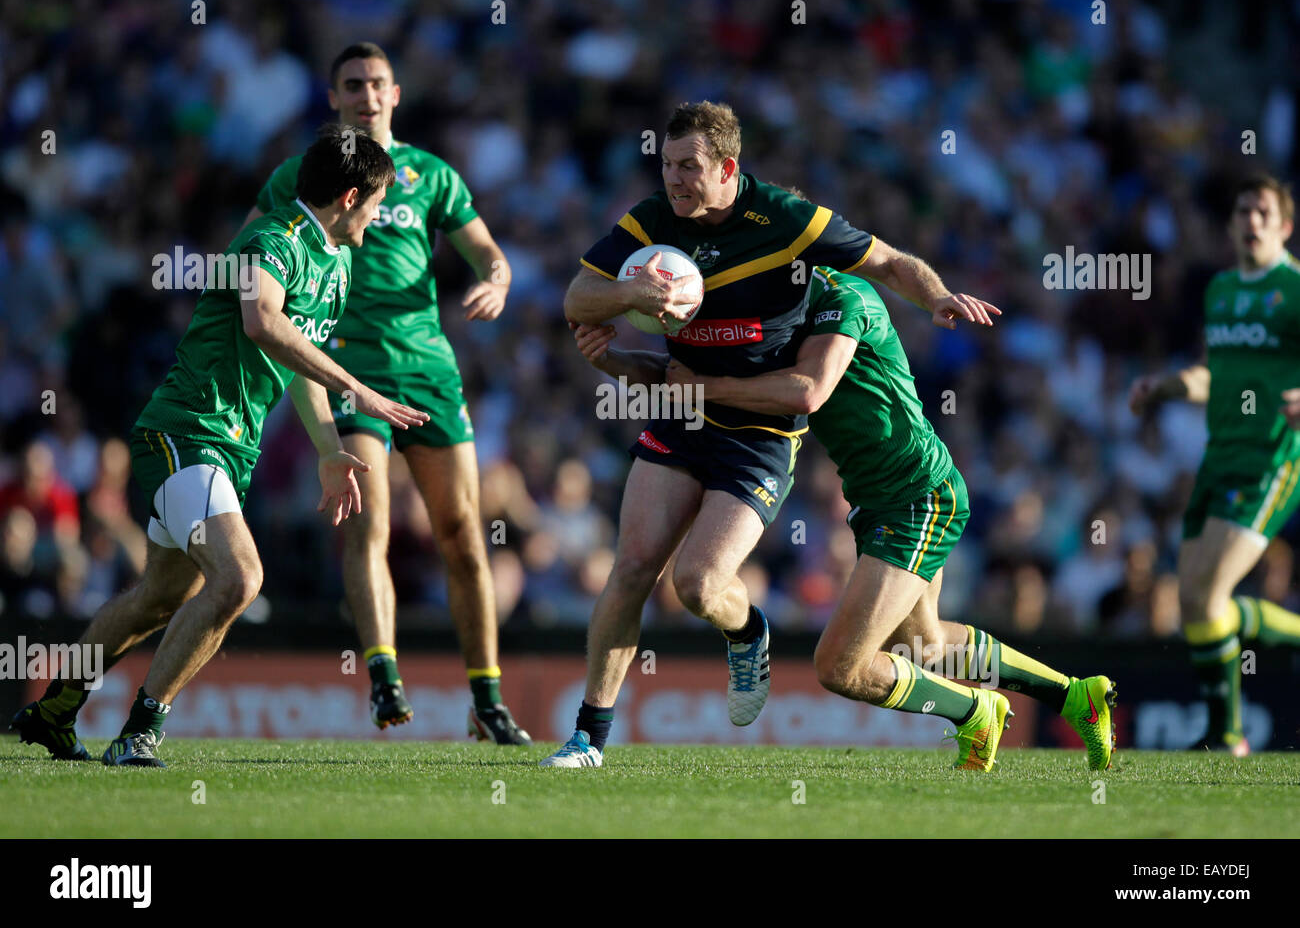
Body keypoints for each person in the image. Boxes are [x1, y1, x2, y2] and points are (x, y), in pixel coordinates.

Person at [543, 102, 995, 767]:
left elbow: (889, 261)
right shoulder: (653, 222)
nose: (674, 179)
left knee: (697, 587)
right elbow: (578, 297)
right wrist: (632, 297)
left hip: (760, 431)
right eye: (666, 165)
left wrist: (936, 297)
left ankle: (748, 630)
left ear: (728, 167)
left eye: (689, 167)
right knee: (634, 565)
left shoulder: (785, 218)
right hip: (685, 416)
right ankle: (588, 737)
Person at [577, 264, 1116, 771]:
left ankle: (974, 712)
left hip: (918, 494)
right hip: (876, 498)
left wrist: (709, 389)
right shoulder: (768, 309)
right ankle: (1076, 696)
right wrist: (618, 360)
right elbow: (679, 378)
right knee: (925, 645)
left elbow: (808, 391)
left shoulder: (844, 297)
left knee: (841, 666)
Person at [11, 126, 427, 766]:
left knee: (157, 598)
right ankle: (140, 730)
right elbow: (262, 321)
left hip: (227, 450)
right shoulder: (270, 241)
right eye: (376, 204)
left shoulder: (339, 264)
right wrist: (357, 388)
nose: (379, 216)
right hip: (184, 431)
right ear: (349, 197)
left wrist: (326, 449)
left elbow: (296, 365)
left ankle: (54, 710)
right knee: (241, 578)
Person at [243, 43, 527, 743]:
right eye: (352, 85)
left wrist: (495, 278)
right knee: (368, 521)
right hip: (344, 364)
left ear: (395, 94)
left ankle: (487, 702)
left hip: (428, 367)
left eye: (377, 84)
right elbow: (253, 239)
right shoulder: (298, 175)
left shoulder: (429, 174)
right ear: (334, 97)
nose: (367, 95)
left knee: (462, 532)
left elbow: (490, 252)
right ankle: (384, 677)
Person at [1129, 174, 1300, 756]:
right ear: (1230, 225)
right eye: (1242, 211)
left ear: (1284, 225)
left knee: (1208, 596)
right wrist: (1164, 386)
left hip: (1272, 458)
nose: (1251, 221)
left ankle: (1227, 736)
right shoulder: (1222, 290)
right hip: (1218, 455)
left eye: (1262, 212)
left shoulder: (1294, 289)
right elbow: (1211, 374)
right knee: (1194, 603)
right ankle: (1224, 730)